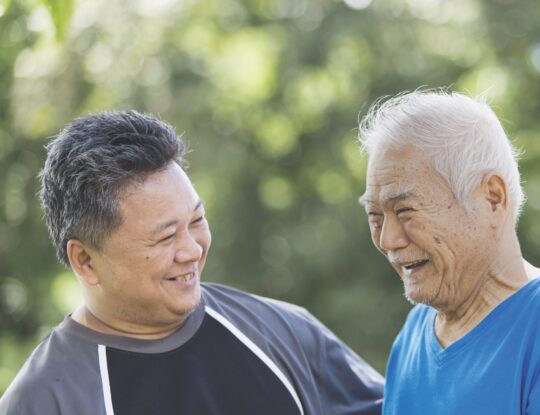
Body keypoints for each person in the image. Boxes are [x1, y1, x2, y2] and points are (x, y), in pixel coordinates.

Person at [0, 111, 383, 415]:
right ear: (84, 259)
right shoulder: (43, 402)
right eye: (166, 237)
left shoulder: (283, 333)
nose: (192, 250)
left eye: (196, 222)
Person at [357, 90, 540, 414]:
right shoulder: (412, 336)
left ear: (492, 198)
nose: (388, 240)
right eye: (375, 217)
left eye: (405, 211)